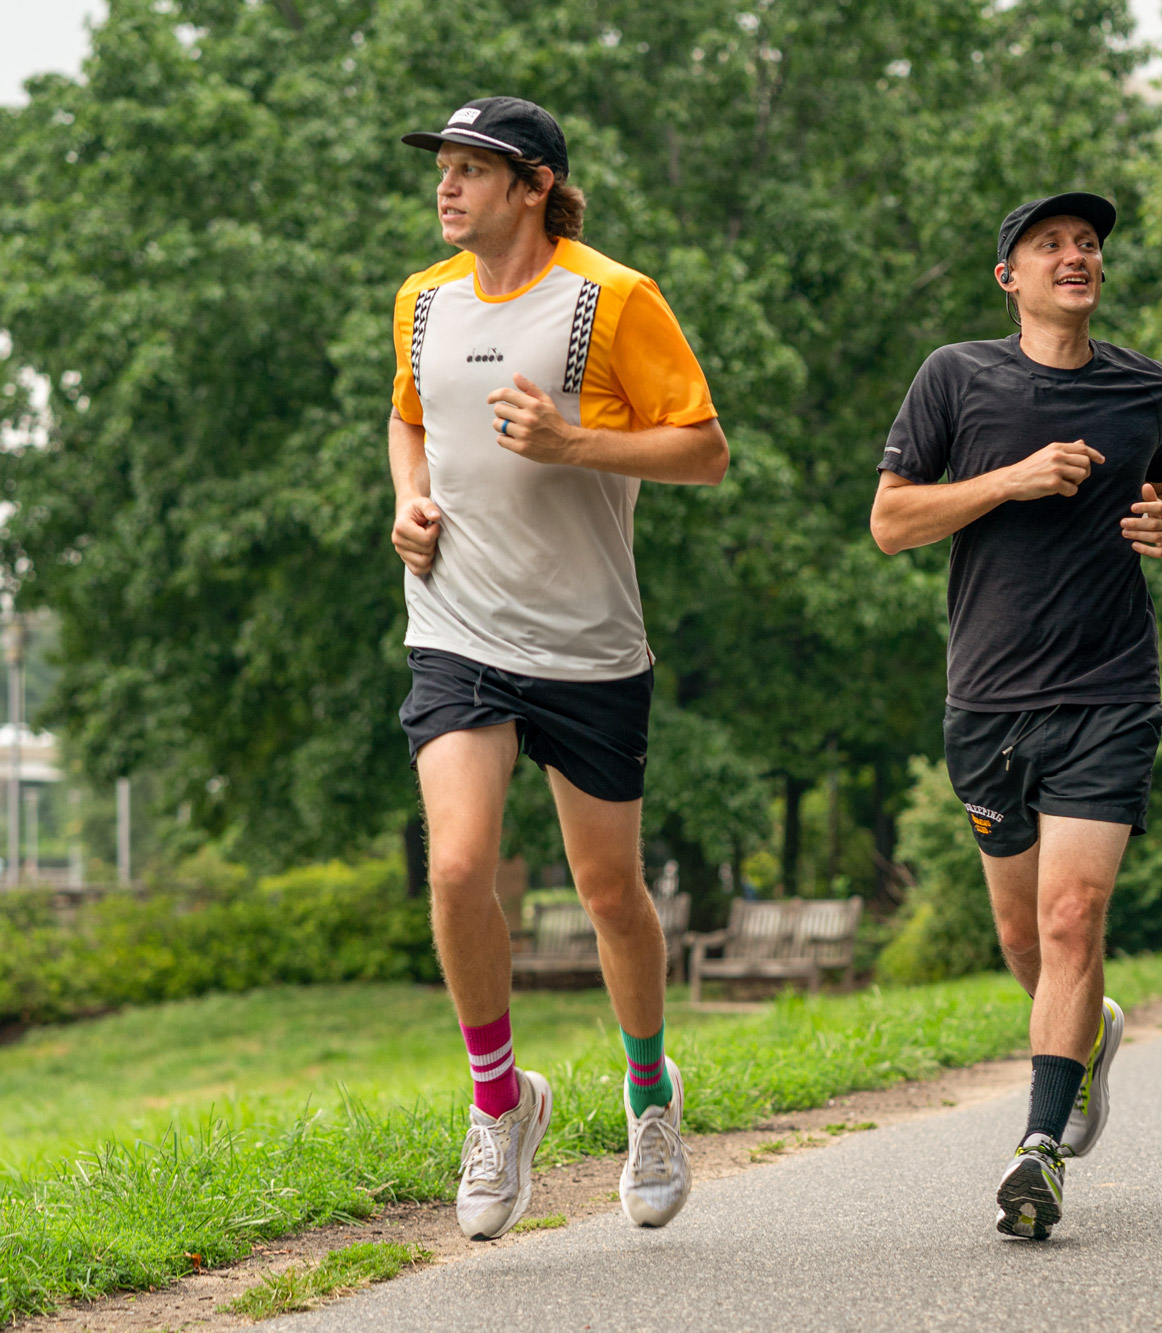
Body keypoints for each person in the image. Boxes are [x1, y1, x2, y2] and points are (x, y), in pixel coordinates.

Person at [387, 96, 729, 1240]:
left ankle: (649, 1092)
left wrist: (571, 440)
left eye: (471, 169)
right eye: (442, 167)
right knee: (457, 866)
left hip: (586, 646)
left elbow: (705, 450)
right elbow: (408, 417)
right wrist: (409, 500)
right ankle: (499, 1101)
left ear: (534, 185)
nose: (447, 186)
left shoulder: (609, 298)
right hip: (456, 627)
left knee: (608, 893)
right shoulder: (422, 301)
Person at [870, 192, 1162, 1240]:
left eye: (1087, 243)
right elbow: (890, 521)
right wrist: (1009, 479)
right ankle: (1085, 1033)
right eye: (1049, 244)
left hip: (1109, 691)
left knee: (1069, 918)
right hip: (988, 700)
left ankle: (1039, 1148)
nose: (1075, 255)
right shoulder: (955, 376)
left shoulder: (1147, 386)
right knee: (1023, 935)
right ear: (1009, 276)